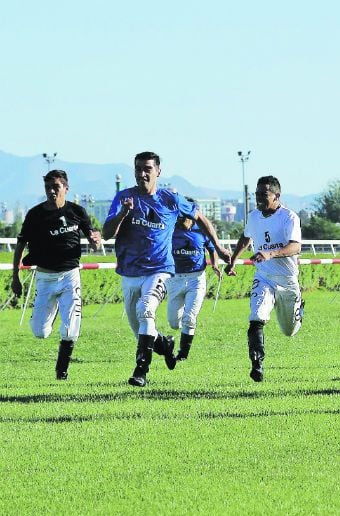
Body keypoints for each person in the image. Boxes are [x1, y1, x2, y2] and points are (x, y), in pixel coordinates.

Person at [103, 152, 231, 387]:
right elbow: (106, 233)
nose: (142, 173)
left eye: (147, 169)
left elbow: (200, 217)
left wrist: (220, 248)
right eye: (138, 168)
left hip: (160, 270)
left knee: (146, 311)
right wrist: (123, 213)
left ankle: (141, 371)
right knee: (141, 328)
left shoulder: (170, 199)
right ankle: (165, 344)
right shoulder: (123, 197)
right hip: (130, 273)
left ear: (158, 171)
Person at [11, 170, 102, 380]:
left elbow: (93, 240)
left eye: (56, 187)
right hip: (45, 278)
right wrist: (16, 276)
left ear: (66, 189)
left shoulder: (77, 211)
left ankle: (61, 371)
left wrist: (96, 240)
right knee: (40, 332)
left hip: (70, 276)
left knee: (71, 329)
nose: (51, 192)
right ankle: (50, 317)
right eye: (48, 188)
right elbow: (20, 245)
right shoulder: (35, 215)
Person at [225, 176, 303, 383]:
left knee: (289, 331)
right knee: (256, 318)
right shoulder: (253, 216)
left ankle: (298, 309)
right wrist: (233, 260)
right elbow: (246, 238)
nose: (259, 198)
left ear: (276, 196)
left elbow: (296, 247)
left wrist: (270, 254)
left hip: (287, 280)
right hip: (264, 277)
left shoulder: (289, 217)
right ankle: (257, 364)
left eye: (264, 194)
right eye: (257, 194)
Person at [166, 200, 222, 361]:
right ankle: (183, 325)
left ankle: (182, 355)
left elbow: (212, 250)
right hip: (175, 279)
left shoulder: (202, 230)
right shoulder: (170, 230)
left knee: (190, 318)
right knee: (173, 323)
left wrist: (215, 264)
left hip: (196, 279)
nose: (182, 216)